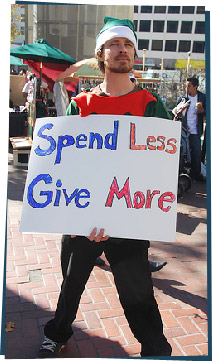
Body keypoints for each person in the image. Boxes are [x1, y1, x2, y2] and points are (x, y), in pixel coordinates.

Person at [39, 17, 172, 358]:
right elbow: (65, 165)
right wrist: (87, 217)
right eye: (114, 44)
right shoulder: (80, 105)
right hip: (83, 217)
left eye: (127, 44)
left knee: (138, 291)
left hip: (129, 219)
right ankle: (57, 333)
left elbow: (160, 168)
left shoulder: (151, 105)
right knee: (71, 285)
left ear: (134, 54)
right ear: (102, 54)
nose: (121, 50)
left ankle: (155, 348)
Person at [176, 77, 206, 181]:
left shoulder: (202, 98)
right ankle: (181, 173)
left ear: (195, 87)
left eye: (189, 86)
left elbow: (207, 112)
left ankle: (195, 175)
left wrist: (202, 111)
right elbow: (177, 114)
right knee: (182, 152)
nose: (186, 88)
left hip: (196, 130)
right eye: (186, 86)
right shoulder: (182, 99)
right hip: (184, 130)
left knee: (196, 153)